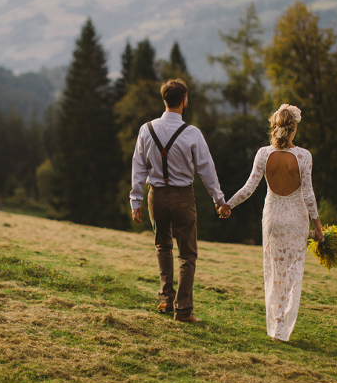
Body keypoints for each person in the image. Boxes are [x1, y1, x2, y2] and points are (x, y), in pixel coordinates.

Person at [130, 79, 230, 323]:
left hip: (156, 196)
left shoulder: (147, 129)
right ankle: (183, 310)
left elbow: (138, 167)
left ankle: (165, 298)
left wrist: (136, 201)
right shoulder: (193, 133)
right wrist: (219, 200)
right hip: (183, 197)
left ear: (164, 100)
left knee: (162, 246)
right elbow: (207, 170)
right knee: (187, 254)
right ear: (184, 101)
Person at [221, 104, 323, 341]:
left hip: (273, 219)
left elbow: (249, 188)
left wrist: (228, 205)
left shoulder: (263, 154)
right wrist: (317, 226)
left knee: (274, 272)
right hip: (297, 220)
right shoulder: (303, 156)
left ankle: (276, 325)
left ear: (275, 127)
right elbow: (308, 195)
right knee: (292, 273)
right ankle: (283, 327)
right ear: (294, 128)